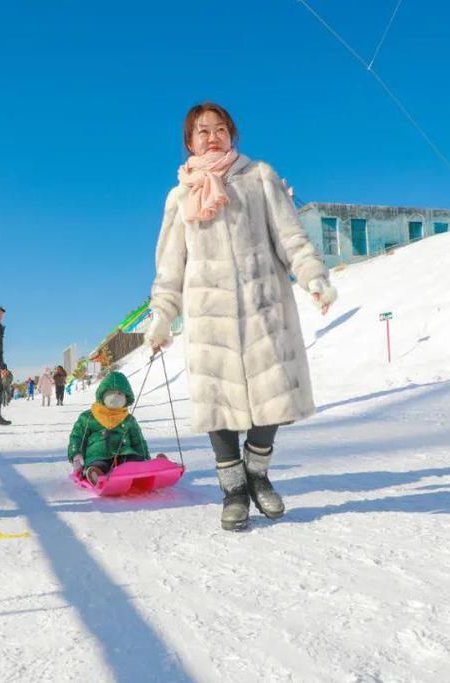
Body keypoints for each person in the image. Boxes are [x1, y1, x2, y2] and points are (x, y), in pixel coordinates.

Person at [146, 103, 337, 532]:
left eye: (219, 129)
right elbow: (170, 266)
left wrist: (313, 277)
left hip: (263, 305)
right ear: (188, 142)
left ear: (232, 135)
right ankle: (233, 489)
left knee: (273, 395)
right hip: (209, 316)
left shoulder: (259, 178)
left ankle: (258, 474)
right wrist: (161, 315)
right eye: (201, 131)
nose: (211, 137)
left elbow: (291, 238)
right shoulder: (180, 197)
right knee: (218, 404)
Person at [67, 371, 151, 485]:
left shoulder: (128, 419)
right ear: (102, 394)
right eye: (111, 392)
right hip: (98, 454)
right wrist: (76, 454)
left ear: (127, 397)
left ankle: (147, 469)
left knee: (133, 460)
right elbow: (77, 437)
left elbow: (138, 441)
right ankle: (95, 474)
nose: (115, 397)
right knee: (99, 464)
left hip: (125, 453)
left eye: (120, 394)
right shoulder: (88, 417)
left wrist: (145, 457)